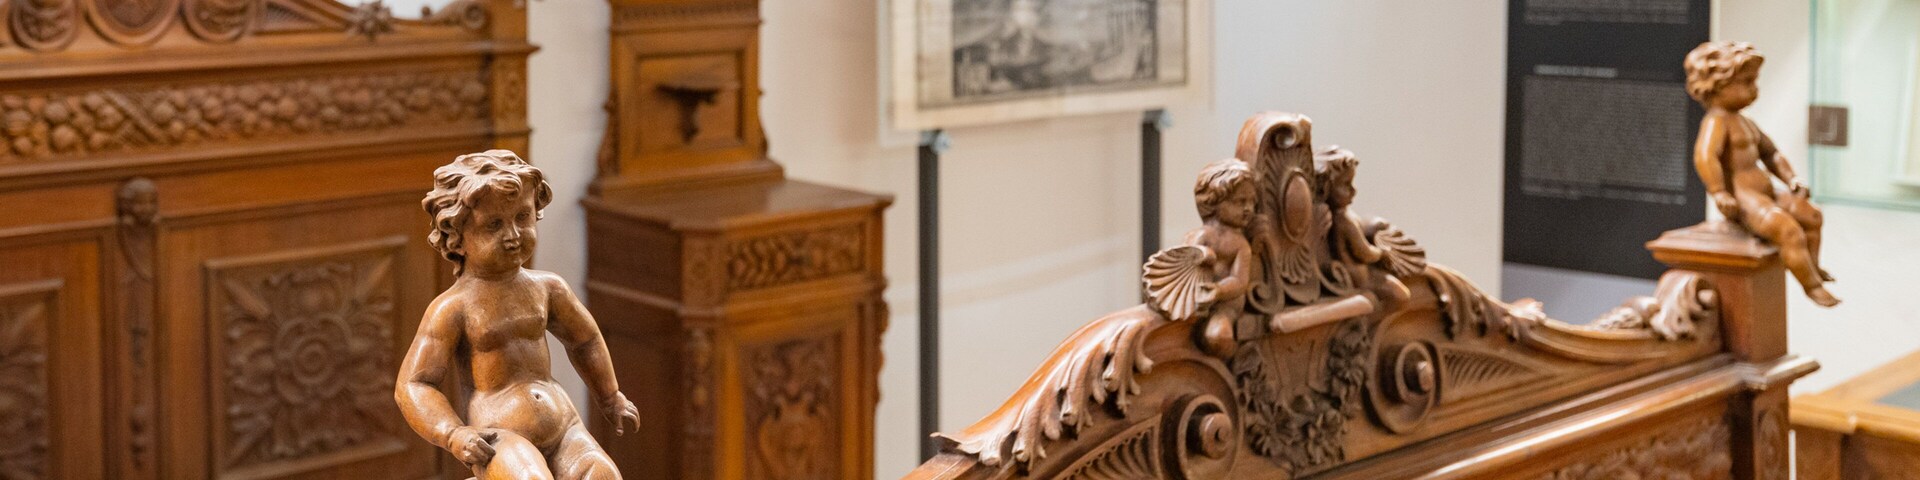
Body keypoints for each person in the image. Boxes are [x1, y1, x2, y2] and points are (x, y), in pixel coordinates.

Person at [397, 150, 641, 480]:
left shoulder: (548, 288)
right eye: (494, 225)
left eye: (522, 217)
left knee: (604, 476)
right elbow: (413, 385)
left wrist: (610, 397)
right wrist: (453, 434)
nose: (513, 235)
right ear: (457, 237)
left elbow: (585, 340)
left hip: (564, 428)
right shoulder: (453, 307)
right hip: (499, 438)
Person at [1684, 42, 1838, 307]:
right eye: (1746, 82)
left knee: (1812, 216)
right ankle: (1811, 286)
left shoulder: (1745, 122)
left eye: (1754, 81)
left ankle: (1813, 267)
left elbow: (1772, 154)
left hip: (1767, 193)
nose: (1754, 89)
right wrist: (1719, 192)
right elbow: (1705, 157)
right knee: (1788, 230)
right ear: (1717, 86)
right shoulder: (1716, 122)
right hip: (1746, 199)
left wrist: (1791, 179)